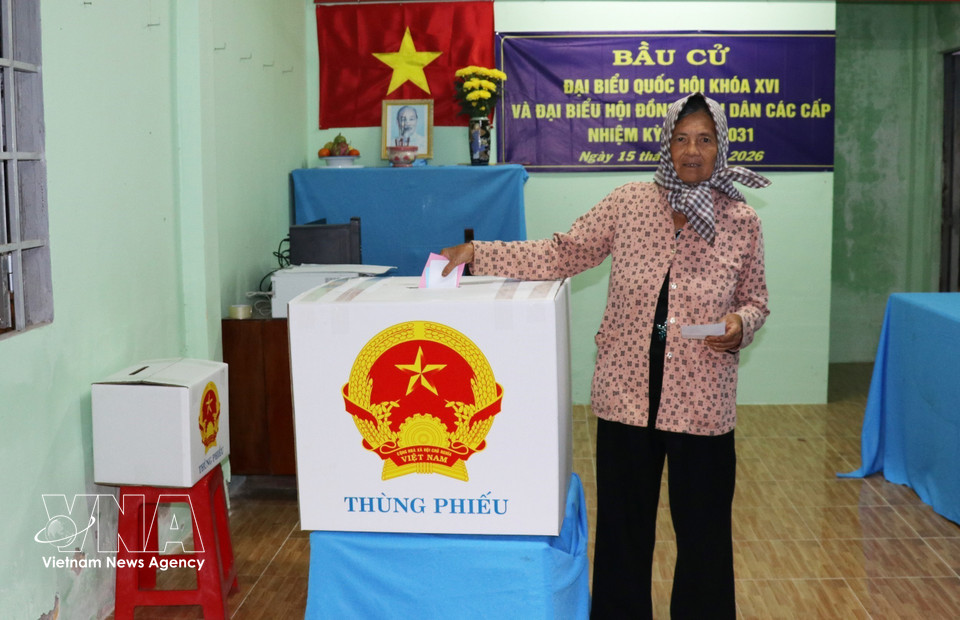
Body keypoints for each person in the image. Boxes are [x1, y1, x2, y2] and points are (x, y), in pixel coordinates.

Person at [440, 92, 770, 619]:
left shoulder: (741, 220)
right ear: (667, 144)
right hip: (626, 401)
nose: (691, 150)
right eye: (681, 138)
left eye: (704, 139)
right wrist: (480, 253)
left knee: (705, 538)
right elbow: (561, 251)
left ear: (720, 147)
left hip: (703, 404)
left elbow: (756, 300)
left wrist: (741, 324)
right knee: (623, 534)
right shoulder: (629, 202)